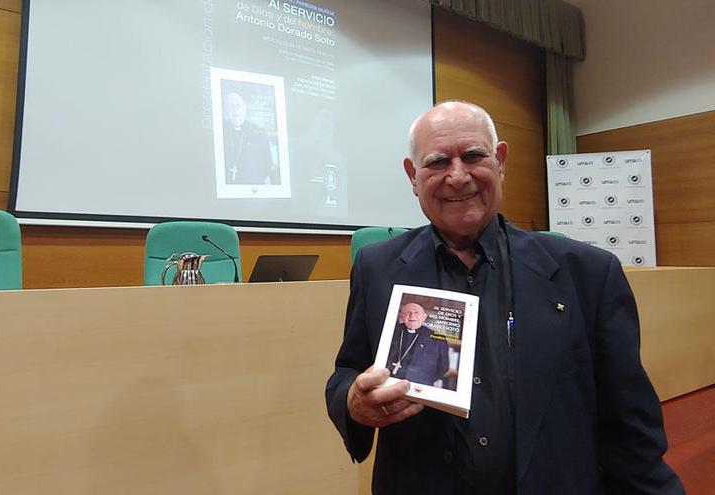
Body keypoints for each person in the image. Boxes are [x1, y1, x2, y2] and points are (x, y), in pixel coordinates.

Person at [324, 101, 684, 494]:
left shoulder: (588, 274)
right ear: (413, 175)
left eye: (474, 156)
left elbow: (630, 431)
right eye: (438, 162)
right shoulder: (377, 268)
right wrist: (354, 404)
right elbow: (347, 372)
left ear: (500, 160)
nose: (458, 177)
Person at [387, 302, 449, 386]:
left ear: (424, 317)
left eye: (416, 313)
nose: (412, 316)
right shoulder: (390, 330)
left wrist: (426, 380)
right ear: (401, 316)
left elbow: (443, 367)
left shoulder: (438, 338)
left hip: (419, 386)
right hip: (389, 382)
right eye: (408, 313)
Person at [222, 91, 276, 185]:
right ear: (225, 110)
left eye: (238, 105)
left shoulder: (259, 132)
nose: (235, 110)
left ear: (244, 108)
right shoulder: (221, 130)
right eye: (230, 106)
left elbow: (268, 165)